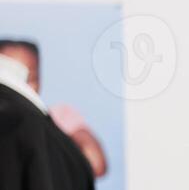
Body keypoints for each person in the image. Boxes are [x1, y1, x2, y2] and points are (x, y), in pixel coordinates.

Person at [0, 39, 108, 178]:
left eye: (29, 79)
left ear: (39, 79)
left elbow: (96, 164)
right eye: (11, 80)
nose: (19, 88)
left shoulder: (56, 118)